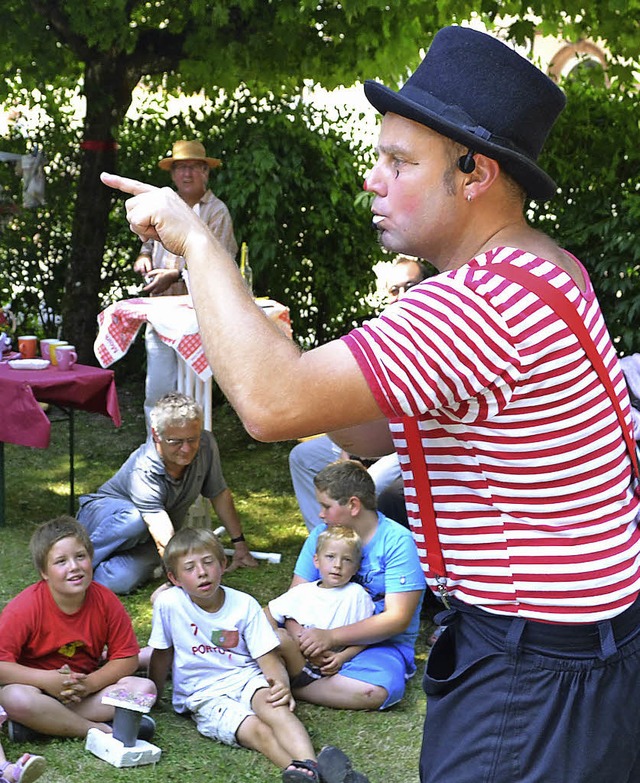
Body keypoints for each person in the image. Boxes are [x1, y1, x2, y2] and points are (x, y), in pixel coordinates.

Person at [101, 22, 640, 782]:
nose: (372, 179)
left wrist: (196, 245)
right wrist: (283, 356)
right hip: (573, 653)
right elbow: (362, 426)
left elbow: (267, 406)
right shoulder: (541, 268)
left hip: (534, 669)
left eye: (398, 160)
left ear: (475, 171)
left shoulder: (477, 303)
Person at [147, 527, 366, 783]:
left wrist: (280, 685)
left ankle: (310, 764)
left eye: (208, 563)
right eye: (190, 568)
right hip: (203, 693)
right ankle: (310, 776)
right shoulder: (169, 604)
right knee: (260, 732)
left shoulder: (244, 604)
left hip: (246, 678)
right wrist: (154, 694)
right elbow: (162, 653)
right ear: (174, 578)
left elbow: (266, 655)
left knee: (276, 710)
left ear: (223, 563)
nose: (202, 572)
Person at [288, 256, 429, 531]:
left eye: (410, 287)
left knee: (370, 485)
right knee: (302, 457)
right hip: (374, 436)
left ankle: (365, 547)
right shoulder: (384, 333)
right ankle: (326, 538)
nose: (401, 297)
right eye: (394, 290)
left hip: (414, 443)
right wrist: (346, 449)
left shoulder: (432, 334)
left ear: (426, 286)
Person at [77, 392, 256, 594]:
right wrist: (184, 580)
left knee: (118, 582)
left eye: (192, 439)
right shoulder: (143, 468)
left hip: (149, 534)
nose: (186, 449)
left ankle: (93, 573)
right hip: (105, 518)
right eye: (175, 442)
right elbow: (160, 530)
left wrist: (239, 545)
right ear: (156, 435)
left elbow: (219, 494)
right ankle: (75, 564)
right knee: (134, 520)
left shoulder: (206, 444)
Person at [0, 516, 156, 742]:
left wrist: (90, 684)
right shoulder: (24, 608)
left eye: (80, 557)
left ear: (91, 558)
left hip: (85, 693)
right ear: (44, 572)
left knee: (145, 689)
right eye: (61, 561)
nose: (74, 567)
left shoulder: (106, 602)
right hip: (36, 690)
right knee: (15, 698)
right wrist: (46, 680)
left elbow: (127, 659)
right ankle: (100, 731)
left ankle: (41, 724)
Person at [288, 460, 424, 710]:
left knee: (374, 692)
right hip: (314, 633)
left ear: (353, 505)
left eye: (326, 506)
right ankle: (308, 674)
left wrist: (331, 638)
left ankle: (297, 683)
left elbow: (397, 619)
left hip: (378, 645)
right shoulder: (321, 534)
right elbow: (294, 599)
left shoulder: (398, 542)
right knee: (272, 638)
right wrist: (306, 640)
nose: (321, 514)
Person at [132, 139, 238, 427]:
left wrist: (177, 275)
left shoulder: (216, 212)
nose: (186, 174)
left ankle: (195, 455)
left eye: (193, 167)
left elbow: (223, 265)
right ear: (172, 174)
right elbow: (147, 243)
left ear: (206, 172)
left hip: (199, 317)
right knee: (157, 391)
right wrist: (143, 256)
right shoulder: (163, 207)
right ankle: (157, 452)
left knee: (194, 392)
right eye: (180, 168)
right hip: (161, 313)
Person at [265, 525, 375, 686]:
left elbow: (365, 636)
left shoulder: (357, 595)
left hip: (324, 666)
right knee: (278, 636)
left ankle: (280, 686)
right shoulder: (303, 591)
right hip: (296, 657)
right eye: (330, 557)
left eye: (347, 560)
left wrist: (342, 657)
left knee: (280, 638)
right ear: (316, 560)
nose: (338, 565)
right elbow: (268, 613)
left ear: (356, 567)